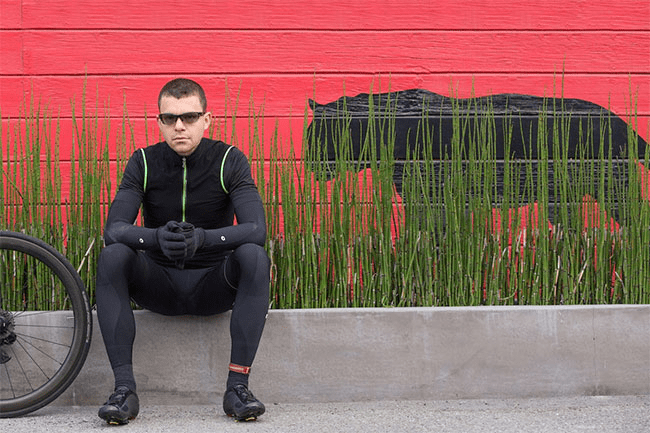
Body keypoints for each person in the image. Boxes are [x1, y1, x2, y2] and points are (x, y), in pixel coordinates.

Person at [95, 78, 270, 425]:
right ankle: (124, 391)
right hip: (158, 284)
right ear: (159, 122)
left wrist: (203, 238)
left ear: (207, 119)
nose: (179, 126)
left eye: (189, 117)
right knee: (112, 256)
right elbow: (114, 230)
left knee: (254, 255)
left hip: (214, 285)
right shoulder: (144, 161)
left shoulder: (229, 159)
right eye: (170, 118)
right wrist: (156, 238)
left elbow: (256, 229)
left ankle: (237, 389)